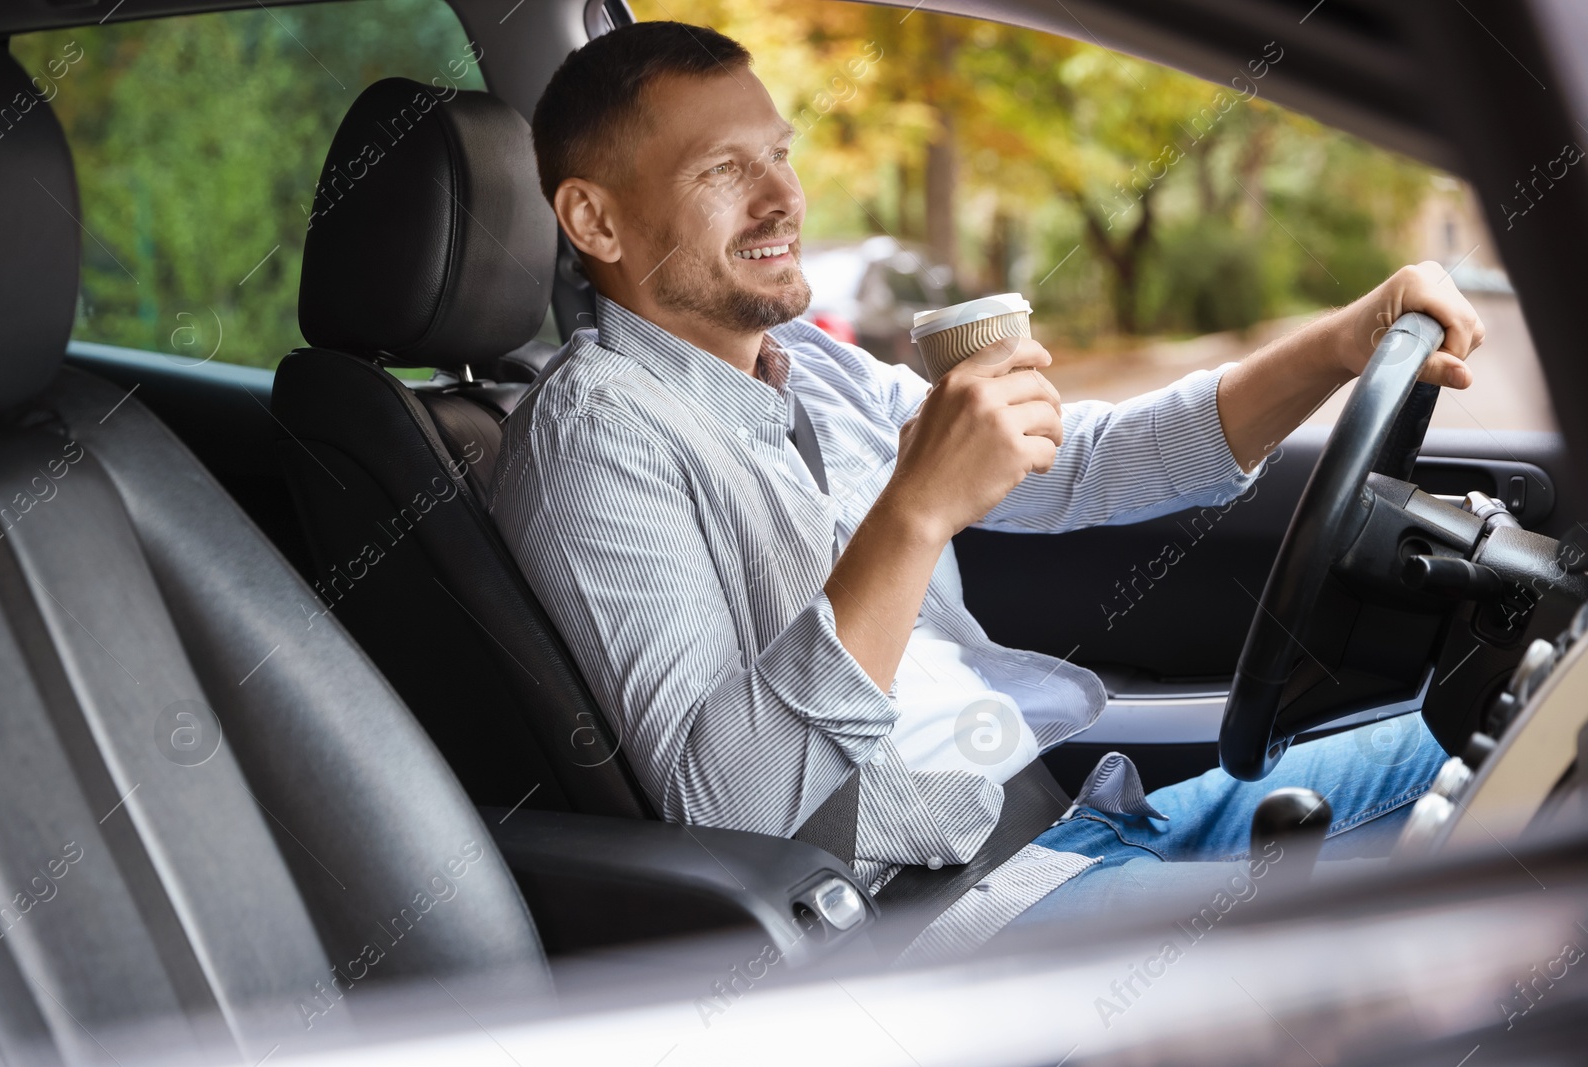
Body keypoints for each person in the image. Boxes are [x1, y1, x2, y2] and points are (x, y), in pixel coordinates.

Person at [490, 21, 1485, 963]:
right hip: (942, 937)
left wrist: (1341, 343)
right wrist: (917, 509)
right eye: (722, 170)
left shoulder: (811, 369)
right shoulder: (593, 438)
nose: (781, 198)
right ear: (594, 218)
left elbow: (1087, 462)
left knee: (1490, 744)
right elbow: (727, 812)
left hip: (1057, 833)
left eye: (780, 155)